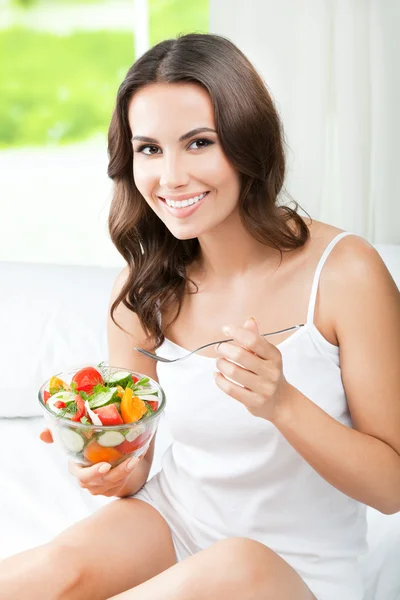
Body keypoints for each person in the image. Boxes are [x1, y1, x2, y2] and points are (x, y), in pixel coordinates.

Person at [1, 32, 399, 600]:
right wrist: (107, 462)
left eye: (198, 143)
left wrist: (282, 404)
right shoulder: (142, 294)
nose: (171, 177)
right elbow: (137, 466)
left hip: (295, 571)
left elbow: (391, 488)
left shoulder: (346, 272)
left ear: (247, 141)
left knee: (234, 563)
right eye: (149, 149)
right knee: (49, 574)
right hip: (173, 522)